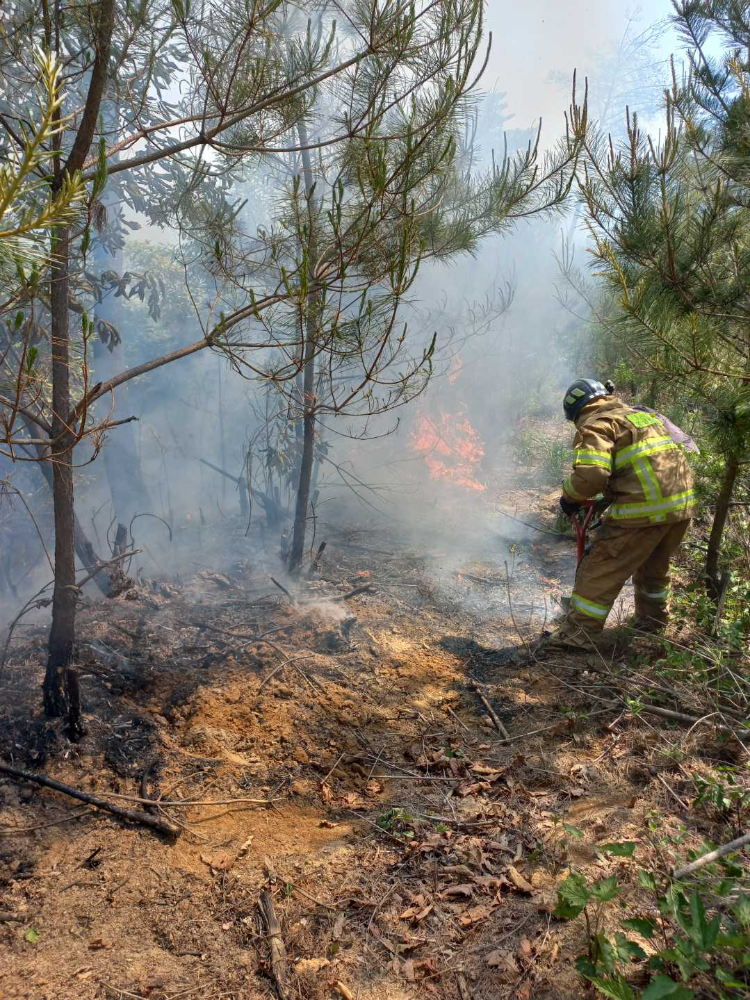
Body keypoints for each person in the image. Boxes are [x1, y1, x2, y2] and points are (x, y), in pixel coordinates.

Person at [546, 379, 696, 650]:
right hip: (680, 508)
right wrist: (607, 499)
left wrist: (569, 497)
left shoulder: (599, 424)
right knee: (653, 568)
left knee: (599, 569)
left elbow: (592, 474)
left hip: (643, 513)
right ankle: (653, 623)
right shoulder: (642, 416)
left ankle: (578, 636)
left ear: (577, 411)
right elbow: (641, 467)